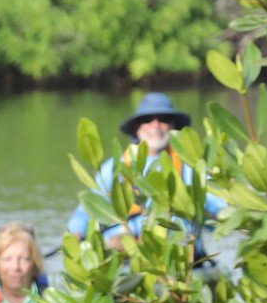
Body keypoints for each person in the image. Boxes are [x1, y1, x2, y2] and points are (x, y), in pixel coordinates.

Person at [64, 91, 225, 253]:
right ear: (136, 127)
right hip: (126, 253)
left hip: (181, 255)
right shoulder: (115, 167)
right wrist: (75, 239)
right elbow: (86, 210)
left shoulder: (190, 166)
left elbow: (217, 212)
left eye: (163, 119)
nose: (155, 125)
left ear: (174, 126)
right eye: (147, 119)